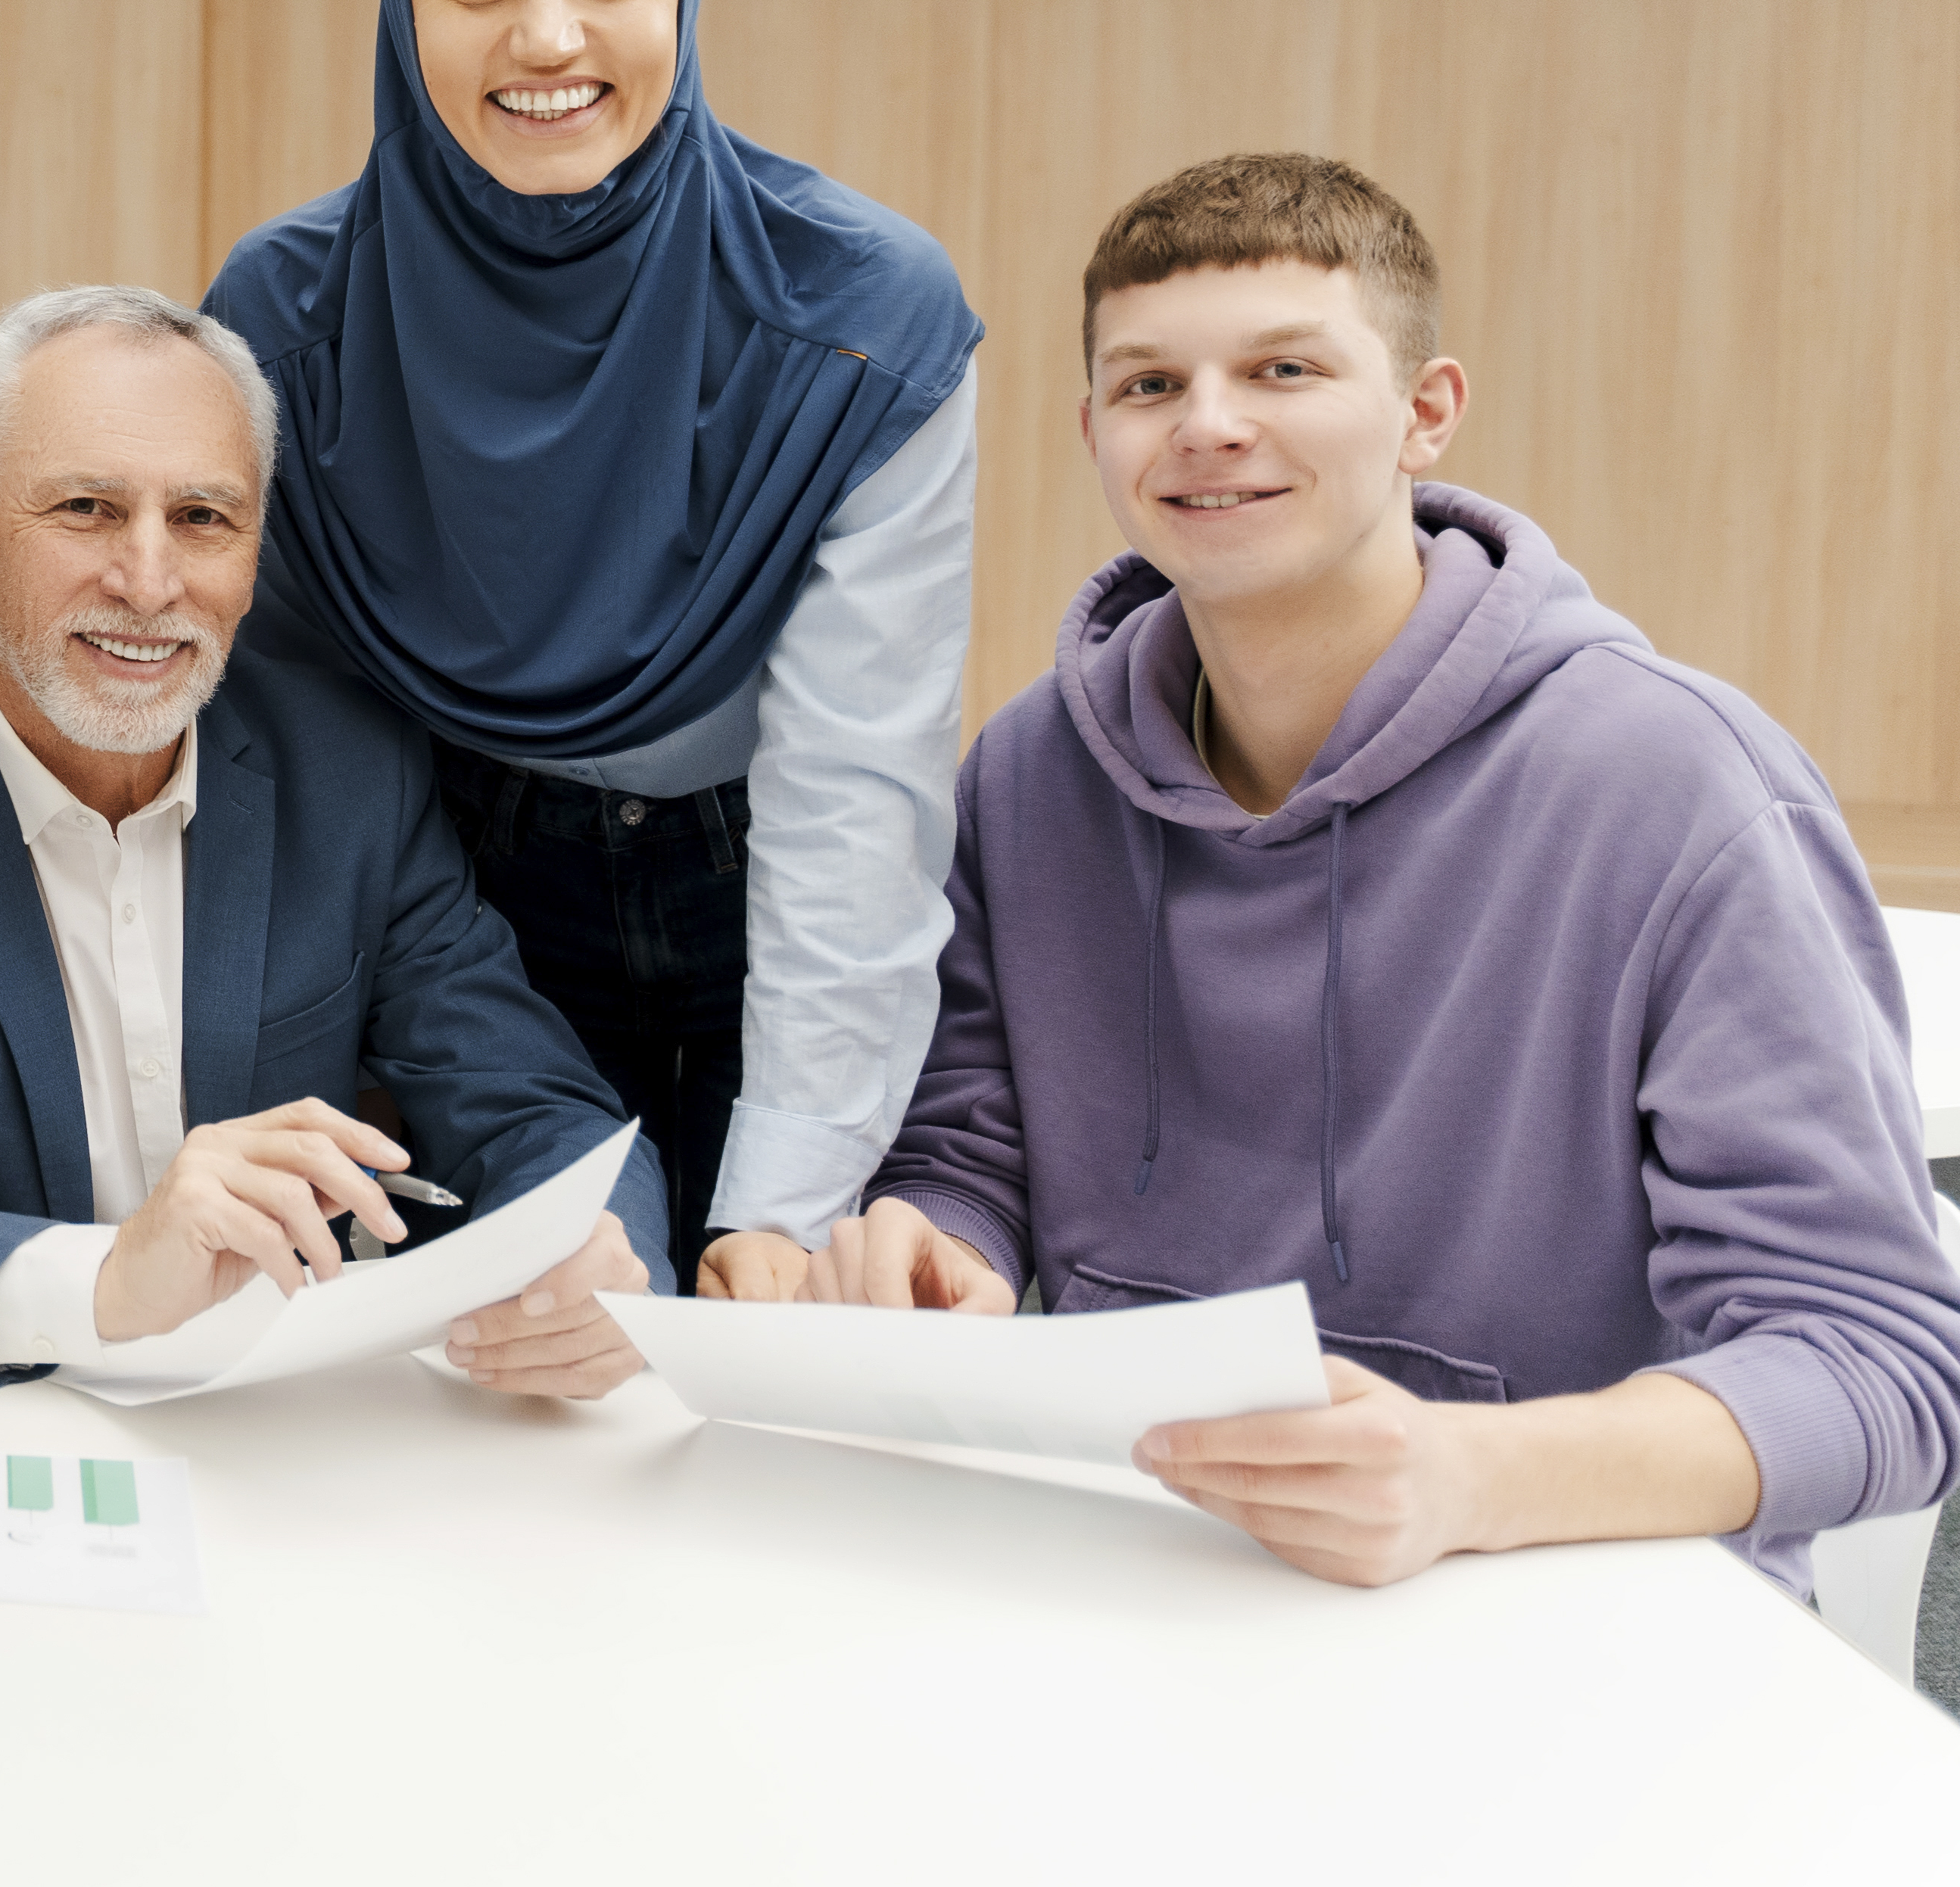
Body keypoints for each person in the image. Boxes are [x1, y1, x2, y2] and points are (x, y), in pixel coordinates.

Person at [818, 154, 1960, 1592]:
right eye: (1149, 385)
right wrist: (948, 1247)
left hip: (1556, 1605)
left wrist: (1471, 1477)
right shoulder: (1033, 771)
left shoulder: (1681, 791)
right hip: (1138, 1572)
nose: (1209, 428)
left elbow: (1879, 1361)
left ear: (1428, 412)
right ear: (1093, 427)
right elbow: (974, 1149)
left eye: (1284, 368)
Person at [201, 0, 979, 1298]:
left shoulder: (861, 317)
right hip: (449, 917)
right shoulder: (286, 320)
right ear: (399, 9)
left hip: (785, 914)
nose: (547, 36)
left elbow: (857, 787)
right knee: (507, 1410)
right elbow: (291, 759)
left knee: (770, 1375)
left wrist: (783, 1192)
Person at [0, 286, 662, 1425]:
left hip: (277, 1448)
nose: (148, 583)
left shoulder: (352, 780)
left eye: (202, 519)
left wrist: (597, 1252)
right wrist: (103, 1281)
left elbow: (538, 1109)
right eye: (86, 508)